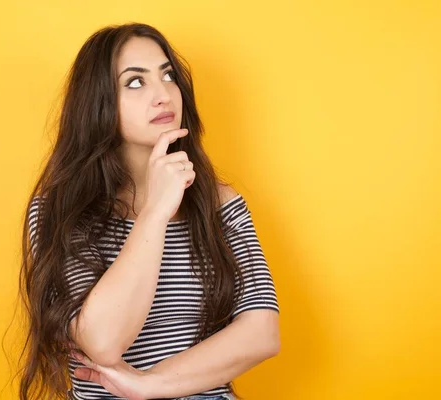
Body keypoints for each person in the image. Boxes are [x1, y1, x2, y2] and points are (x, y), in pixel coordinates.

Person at [18, 22, 280, 400]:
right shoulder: (57, 212)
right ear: (99, 103)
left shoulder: (219, 202)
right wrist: (155, 212)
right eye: (136, 82)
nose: (163, 95)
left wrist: (149, 386)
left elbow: (262, 332)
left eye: (168, 75)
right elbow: (103, 342)